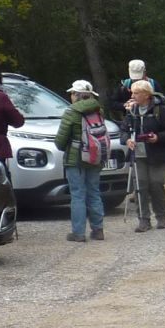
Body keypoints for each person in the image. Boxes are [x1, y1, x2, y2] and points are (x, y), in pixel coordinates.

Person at [55, 80, 107, 242]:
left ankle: (78, 233)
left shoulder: (71, 112)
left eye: (72, 93)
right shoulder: (99, 110)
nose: (70, 96)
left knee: (78, 195)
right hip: (95, 156)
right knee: (94, 192)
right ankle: (98, 230)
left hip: (75, 158)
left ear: (76, 95)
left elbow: (60, 141)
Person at [123, 80, 165, 232]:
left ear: (146, 95)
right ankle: (143, 220)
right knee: (140, 185)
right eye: (132, 93)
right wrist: (127, 140)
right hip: (138, 153)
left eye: (136, 93)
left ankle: (161, 216)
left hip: (158, 153)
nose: (133, 96)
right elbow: (124, 129)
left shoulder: (161, 110)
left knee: (156, 183)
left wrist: (157, 137)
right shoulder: (131, 111)